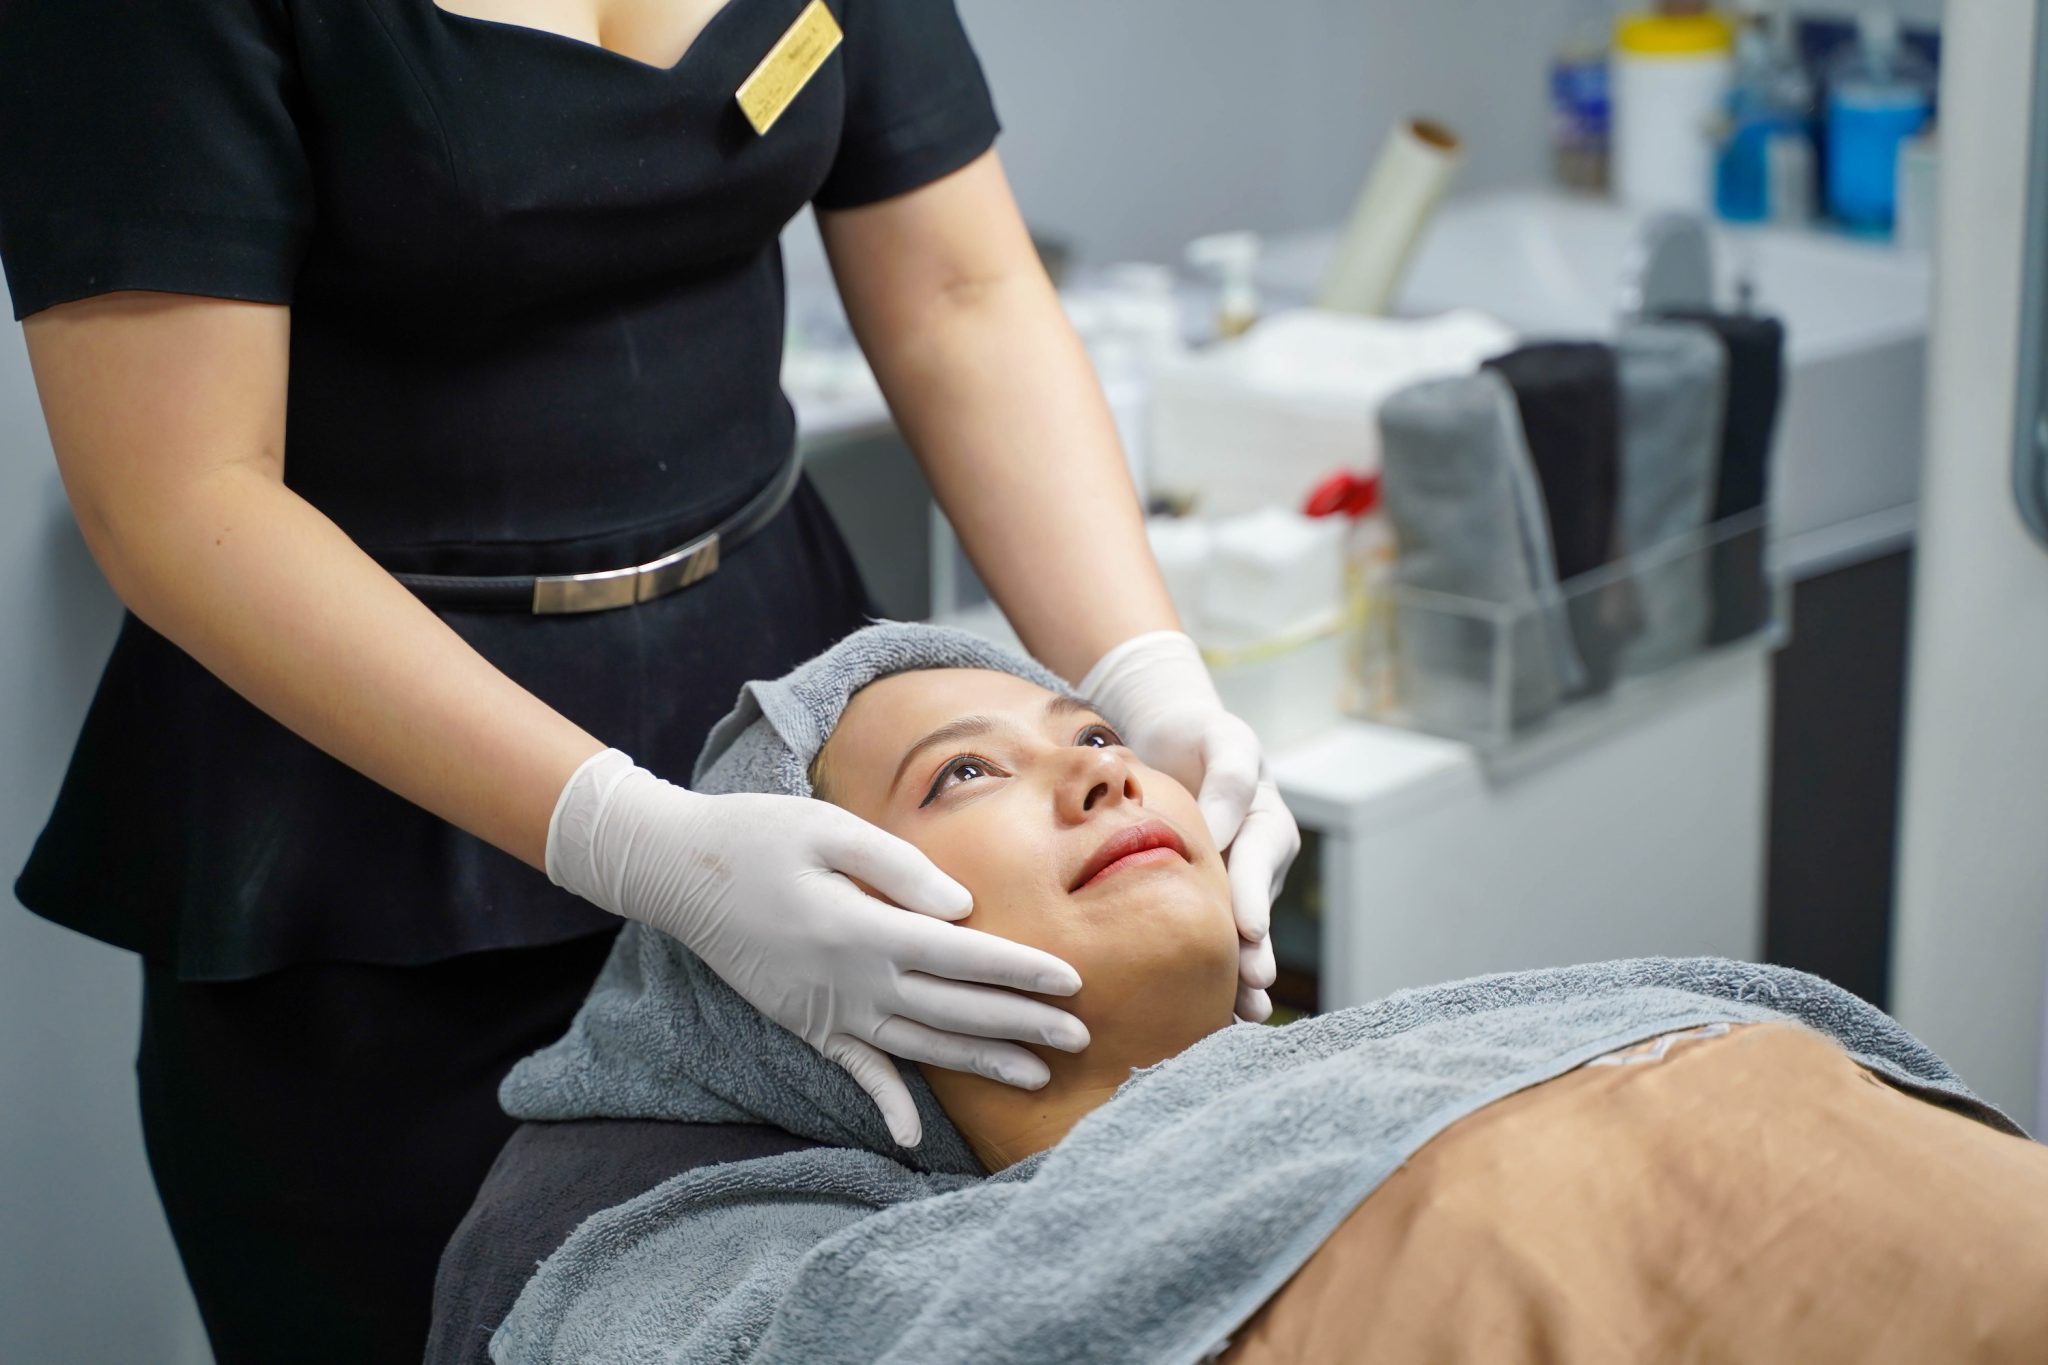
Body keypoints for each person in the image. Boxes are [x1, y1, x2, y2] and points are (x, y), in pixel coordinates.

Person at [0, 3, 1297, 1359]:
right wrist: (635, 839)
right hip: (372, 836)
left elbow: (964, 296)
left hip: (784, 712)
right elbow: (178, 495)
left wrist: (1149, 682)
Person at [445, 623, 2048, 1365]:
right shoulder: (907, 1286)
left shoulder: (1460, 1050)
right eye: (965, 775)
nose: (1097, 770)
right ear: (807, 992)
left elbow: (965, 285)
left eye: (1094, 732)